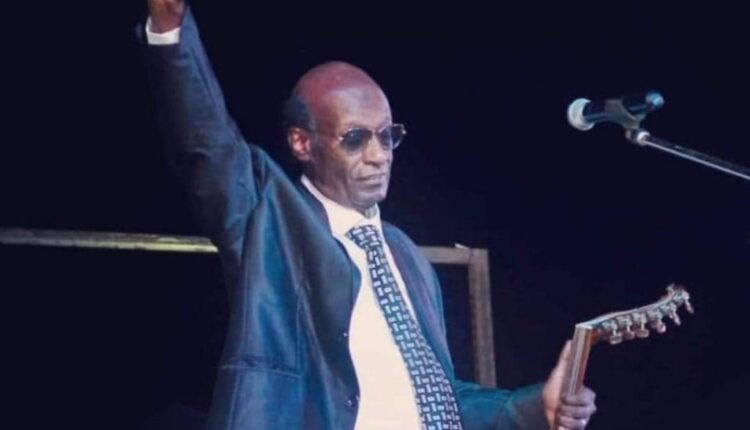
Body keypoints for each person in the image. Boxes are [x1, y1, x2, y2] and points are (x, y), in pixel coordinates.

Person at [139, 1, 597, 429]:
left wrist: (536, 405)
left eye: (387, 136)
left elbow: (439, 399)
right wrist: (169, 27)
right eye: (355, 139)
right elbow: (207, 146)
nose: (379, 155)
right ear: (302, 143)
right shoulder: (271, 223)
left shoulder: (405, 256)